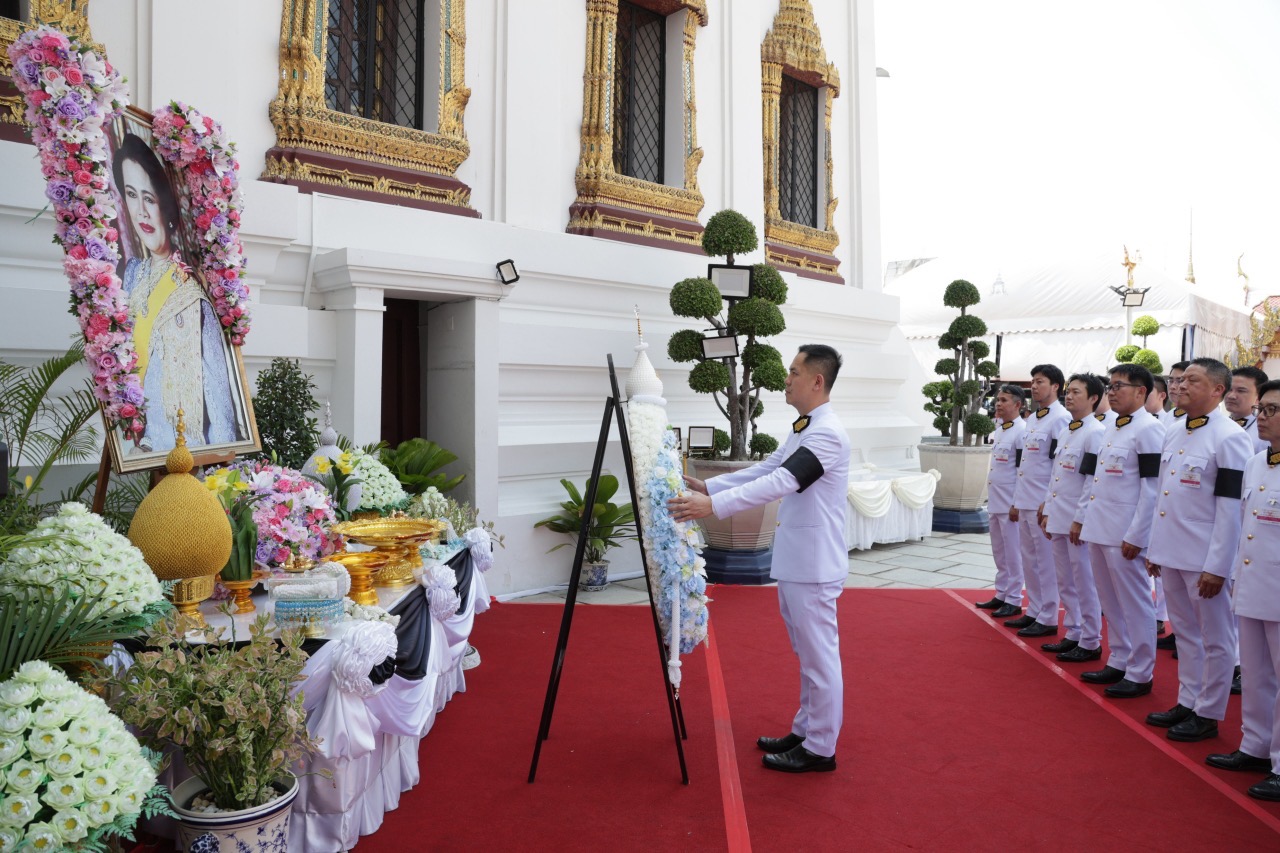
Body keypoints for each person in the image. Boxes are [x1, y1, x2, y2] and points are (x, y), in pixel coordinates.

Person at [670, 345, 850, 774]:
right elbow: (768, 467)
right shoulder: (805, 428)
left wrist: (713, 507)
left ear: (816, 381)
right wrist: (711, 488)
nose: (786, 378)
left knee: (819, 657)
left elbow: (783, 482)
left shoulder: (827, 434)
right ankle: (807, 729)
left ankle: (821, 747)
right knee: (806, 654)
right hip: (798, 561)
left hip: (814, 564)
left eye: (793, 371)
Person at [1143, 358, 1251, 742]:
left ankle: (1207, 713)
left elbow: (1230, 508)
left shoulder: (1229, 438)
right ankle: (1188, 700)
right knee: (1185, 633)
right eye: (1181, 379)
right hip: (1172, 552)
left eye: (1193, 380)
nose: (1181, 385)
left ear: (1218, 390)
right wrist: (1156, 547)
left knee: (1217, 639)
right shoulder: (1173, 431)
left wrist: (1218, 566)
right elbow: (1164, 497)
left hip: (1205, 558)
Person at [113, 132, 237, 453]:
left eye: (150, 198)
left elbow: (219, 394)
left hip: (187, 458)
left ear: (166, 204)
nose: (140, 211)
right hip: (140, 451)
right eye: (131, 194)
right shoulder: (131, 277)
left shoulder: (193, 287)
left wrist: (221, 470)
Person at [1206, 379, 1280, 800]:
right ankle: (1255, 745)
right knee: (1254, 673)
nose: (1262, 418)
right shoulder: (1256, 462)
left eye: (1272, 411)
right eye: (1263, 410)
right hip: (1252, 585)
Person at [1074, 363, 1163, 698]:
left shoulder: (1149, 430)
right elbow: (1098, 480)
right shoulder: (1111, 426)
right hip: (1101, 528)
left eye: (1118, 386)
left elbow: (1151, 489)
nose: (1111, 392)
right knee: (1110, 601)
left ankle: (1140, 672)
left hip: (1125, 534)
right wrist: (1085, 520)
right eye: (1109, 386)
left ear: (1141, 391)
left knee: (1136, 604)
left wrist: (1138, 535)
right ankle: (1120, 658)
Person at [1039, 373, 1105, 662]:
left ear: (1093, 398)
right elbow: (1057, 474)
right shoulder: (1067, 430)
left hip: (1077, 520)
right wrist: (1047, 507)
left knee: (1084, 581)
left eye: (1077, 392)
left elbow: (1091, 481)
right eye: (1069, 391)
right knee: (1065, 579)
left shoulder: (1095, 433)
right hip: (1058, 514)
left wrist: (1081, 518)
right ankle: (1074, 631)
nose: (1069, 396)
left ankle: (1091, 640)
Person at [1007, 365, 1071, 637]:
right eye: (1032, 382)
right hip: (1025, 498)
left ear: (1056, 386)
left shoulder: (1061, 419)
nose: (1034, 387)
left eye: (1040, 382)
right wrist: (1017, 498)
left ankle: (1047, 616)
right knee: (1029, 558)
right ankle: (1034, 609)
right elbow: (1025, 463)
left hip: (1043, 501)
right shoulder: (1033, 418)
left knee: (1046, 563)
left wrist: (1048, 502)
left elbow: (1059, 464)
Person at [976, 385, 1027, 619]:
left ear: (1017, 405)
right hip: (996, 500)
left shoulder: (1021, 432)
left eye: (1004, 400)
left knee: (1013, 552)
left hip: (1010, 503)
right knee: (999, 550)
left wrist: (1017, 502)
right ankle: (1002, 592)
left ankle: (1014, 598)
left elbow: (1021, 470)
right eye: (997, 399)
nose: (998, 404)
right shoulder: (1000, 430)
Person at [1227, 366, 1270, 453]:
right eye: (1229, 389)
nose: (1231, 396)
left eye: (1241, 391)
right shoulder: (1218, 424)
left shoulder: (1265, 432)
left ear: (1259, 396)